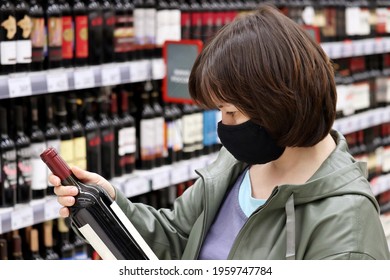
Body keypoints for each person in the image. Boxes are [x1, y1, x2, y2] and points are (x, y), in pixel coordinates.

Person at [50, 4, 390, 260]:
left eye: (231, 112)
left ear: (278, 106)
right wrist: (111, 206)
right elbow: (178, 237)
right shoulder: (237, 163)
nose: (224, 126)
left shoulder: (347, 225)